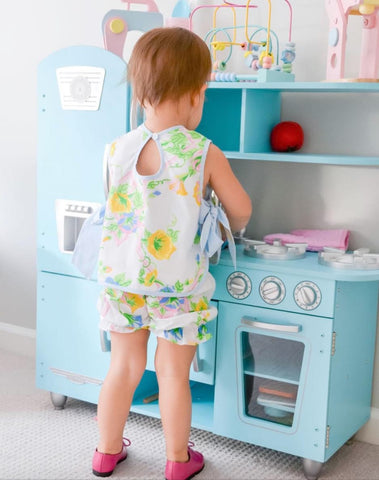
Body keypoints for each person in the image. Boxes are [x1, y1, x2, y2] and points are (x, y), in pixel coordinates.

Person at [91, 27, 252, 479]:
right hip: (177, 286)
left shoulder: (115, 150)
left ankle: (106, 452)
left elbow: (116, 210)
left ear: (140, 91)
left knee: (122, 366)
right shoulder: (202, 152)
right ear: (197, 95)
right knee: (172, 374)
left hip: (121, 280)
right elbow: (241, 211)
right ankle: (178, 462)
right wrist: (226, 223)